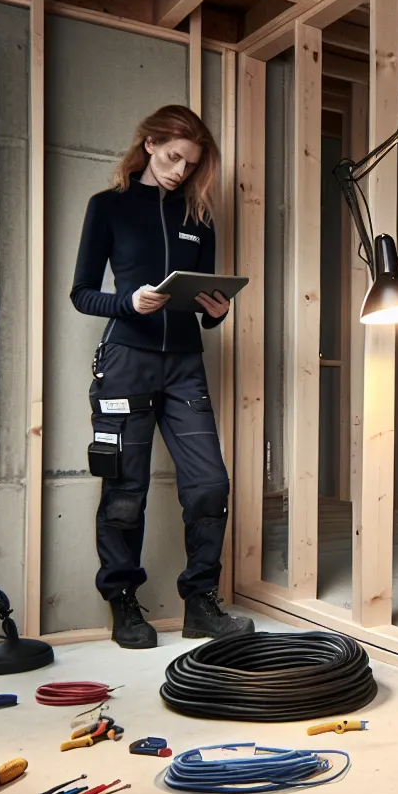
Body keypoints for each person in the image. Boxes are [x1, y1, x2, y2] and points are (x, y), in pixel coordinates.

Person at [70, 104, 253, 649]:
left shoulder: (198, 217)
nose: (180, 171)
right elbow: (82, 293)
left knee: (209, 484)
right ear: (149, 144)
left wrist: (216, 312)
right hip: (126, 359)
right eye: (174, 157)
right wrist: (129, 301)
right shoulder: (108, 208)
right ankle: (123, 604)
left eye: (191, 164)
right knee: (126, 489)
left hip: (184, 366)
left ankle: (200, 602)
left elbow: (204, 302)